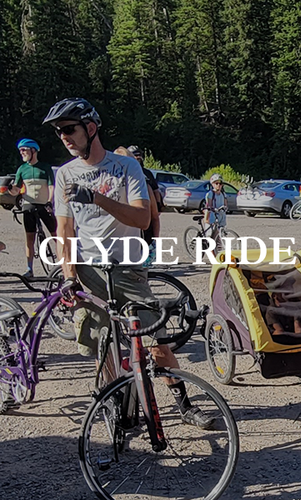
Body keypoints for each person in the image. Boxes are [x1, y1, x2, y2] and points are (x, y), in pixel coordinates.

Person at [43, 97, 213, 429]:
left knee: (155, 341)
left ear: (91, 128)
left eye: (69, 129)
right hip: (89, 270)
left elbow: (141, 218)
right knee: (101, 342)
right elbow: (64, 230)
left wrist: (96, 198)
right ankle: (115, 401)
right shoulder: (64, 174)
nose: (64, 137)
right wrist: (68, 275)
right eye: (59, 132)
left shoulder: (125, 167)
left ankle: (184, 405)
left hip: (128, 268)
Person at [8, 138, 57, 277]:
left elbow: (51, 186)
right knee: (29, 238)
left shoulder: (45, 167)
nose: (21, 153)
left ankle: (65, 265)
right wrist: (10, 189)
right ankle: (29, 269)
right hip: (28, 205)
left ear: (33, 150)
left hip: (44, 204)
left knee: (56, 235)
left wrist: (49, 201)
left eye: (24, 150)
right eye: (20, 150)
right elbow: (16, 190)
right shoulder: (22, 169)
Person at [114, 146, 160, 258]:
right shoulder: (108, 187)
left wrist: (155, 242)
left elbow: (154, 216)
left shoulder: (144, 184)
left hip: (141, 241)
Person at [127, 145, 163, 211]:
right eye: (135, 155)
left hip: (147, 206)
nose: (138, 157)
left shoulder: (147, 173)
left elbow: (155, 190)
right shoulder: (125, 172)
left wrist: (158, 205)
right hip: (131, 205)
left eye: (139, 155)